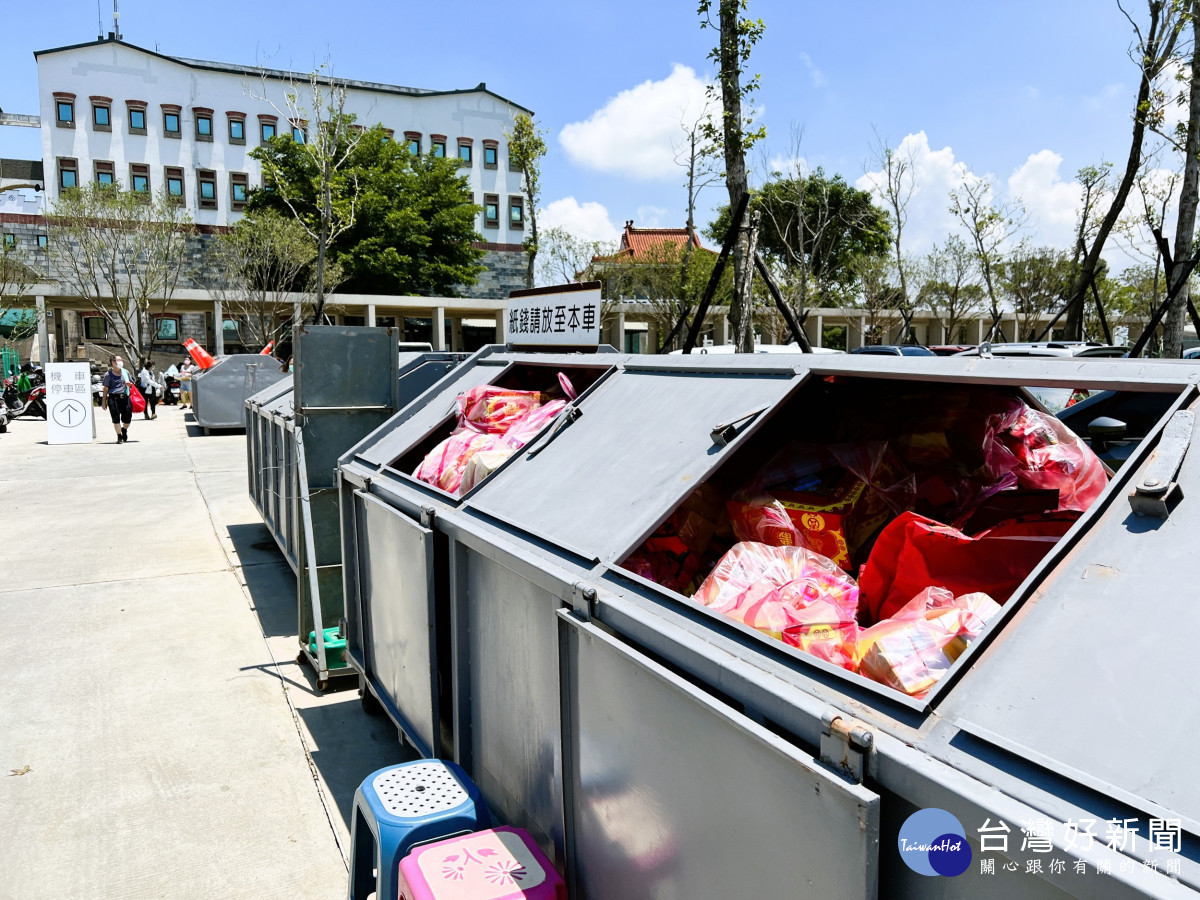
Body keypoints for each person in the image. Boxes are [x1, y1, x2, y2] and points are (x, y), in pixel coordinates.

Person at [101, 354, 132, 443]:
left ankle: (124, 429)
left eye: (121, 360)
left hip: (125, 397)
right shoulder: (108, 374)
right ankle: (119, 436)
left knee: (128, 418)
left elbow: (131, 384)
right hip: (113, 398)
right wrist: (104, 402)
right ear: (113, 362)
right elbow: (106, 389)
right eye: (119, 360)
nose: (121, 362)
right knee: (115, 418)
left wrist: (129, 385)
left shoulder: (126, 372)